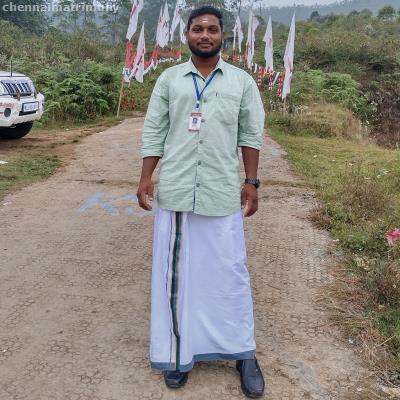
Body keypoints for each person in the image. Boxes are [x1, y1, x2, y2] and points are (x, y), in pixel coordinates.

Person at [136, 6, 265, 398]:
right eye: (197, 29)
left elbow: (250, 134)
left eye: (211, 29)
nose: (204, 35)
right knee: (176, 276)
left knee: (231, 274)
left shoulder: (241, 82)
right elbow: (155, 130)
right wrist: (145, 176)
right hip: (177, 192)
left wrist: (251, 182)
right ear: (187, 35)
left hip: (220, 192)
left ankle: (243, 353)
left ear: (223, 36)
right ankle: (177, 354)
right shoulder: (169, 80)